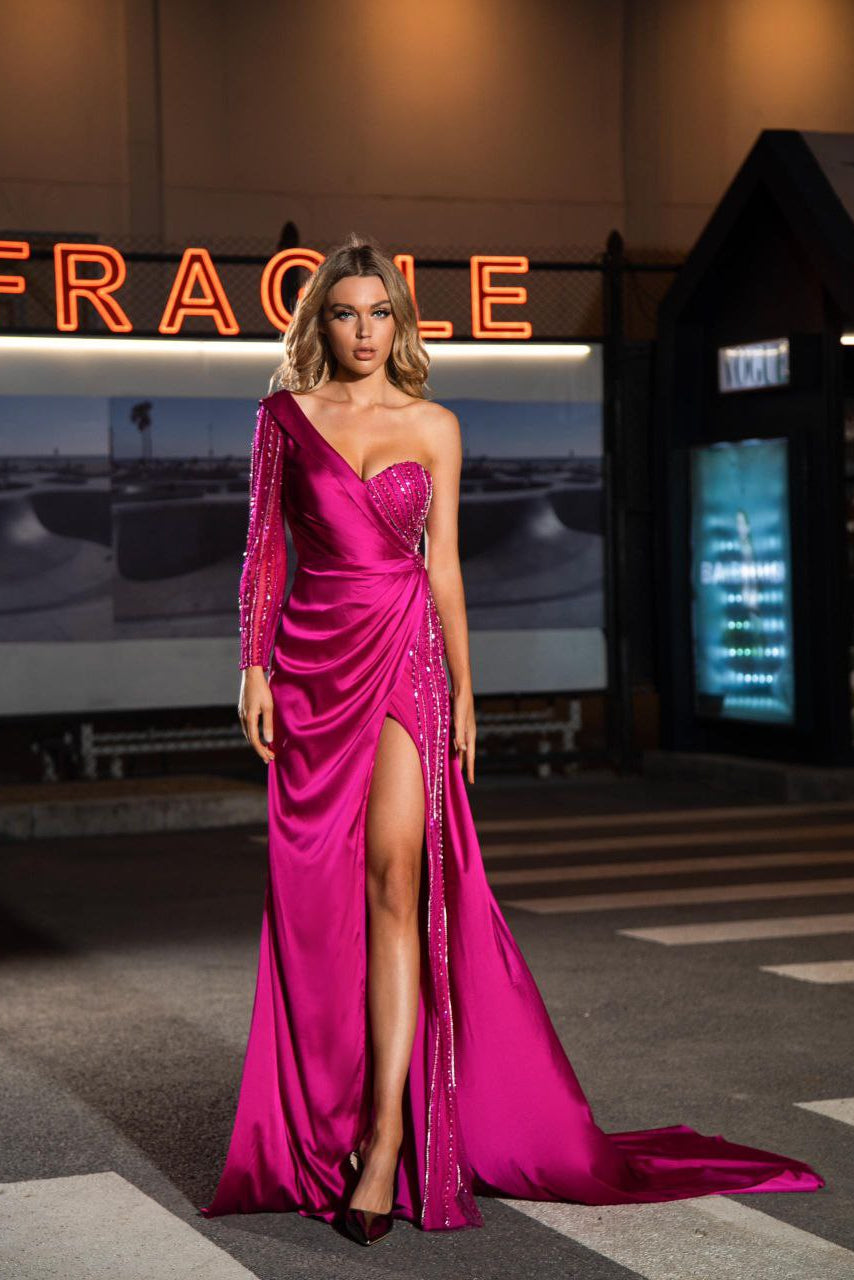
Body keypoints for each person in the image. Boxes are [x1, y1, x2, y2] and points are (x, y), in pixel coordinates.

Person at [200, 233, 824, 1247]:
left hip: (404, 654)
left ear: (401, 324)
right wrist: (252, 666)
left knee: (397, 884)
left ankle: (385, 1126)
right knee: (321, 900)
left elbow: (442, 565)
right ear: (319, 323)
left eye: (379, 314)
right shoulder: (283, 418)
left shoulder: (434, 424)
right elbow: (261, 549)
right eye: (344, 313)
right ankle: (332, 1100)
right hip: (310, 665)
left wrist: (467, 690)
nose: (363, 331)